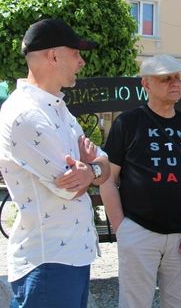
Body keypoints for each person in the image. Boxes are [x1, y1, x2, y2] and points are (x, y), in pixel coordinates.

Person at [0, 18, 111, 307]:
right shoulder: (27, 115)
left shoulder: (57, 109)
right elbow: (69, 187)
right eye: (76, 53)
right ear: (53, 56)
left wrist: (92, 169)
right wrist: (92, 170)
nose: (82, 61)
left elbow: (104, 163)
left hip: (68, 256)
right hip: (47, 262)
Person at [100, 54, 181, 308]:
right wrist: (122, 228)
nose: (175, 83)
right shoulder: (128, 123)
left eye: (177, 78)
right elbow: (108, 179)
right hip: (139, 231)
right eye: (166, 79)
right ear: (146, 84)